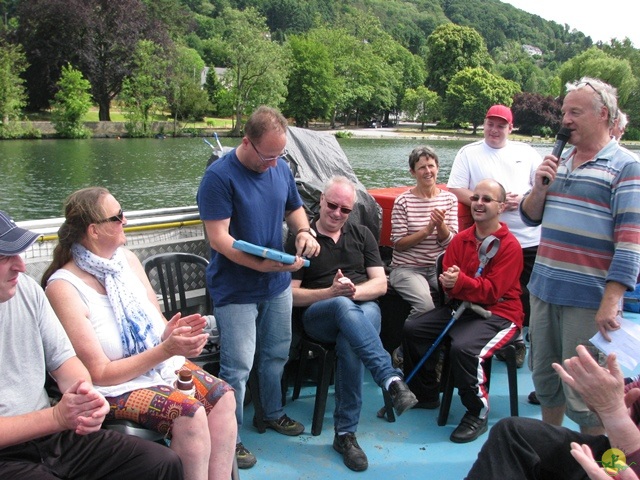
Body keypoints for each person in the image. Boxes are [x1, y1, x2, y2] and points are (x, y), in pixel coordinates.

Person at [41, 187, 237, 480]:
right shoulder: (64, 287)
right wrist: (166, 349)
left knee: (224, 398)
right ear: (94, 230)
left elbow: (156, 324)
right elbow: (99, 373)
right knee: (190, 413)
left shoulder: (127, 262)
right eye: (118, 217)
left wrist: (174, 336)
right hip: (114, 387)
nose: (126, 221)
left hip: (158, 367)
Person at [0, 210, 184, 479]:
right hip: (10, 453)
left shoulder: (27, 291)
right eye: (5, 257)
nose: (21, 266)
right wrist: (58, 417)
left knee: (161, 463)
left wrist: (84, 396)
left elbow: (65, 362)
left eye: (18, 254)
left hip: (52, 437)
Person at [196, 105, 321, 469]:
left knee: (277, 354)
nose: (273, 163)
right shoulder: (219, 178)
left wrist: (304, 232)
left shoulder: (279, 167)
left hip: (276, 285)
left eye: (278, 156)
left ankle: (270, 413)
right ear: (246, 142)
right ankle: (229, 439)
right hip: (236, 291)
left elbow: (293, 208)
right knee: (237, 368)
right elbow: (220, 239)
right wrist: (261, 264)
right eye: (267, 156)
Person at [520, 76, 640, 435]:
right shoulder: (558, 161)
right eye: (563, 111)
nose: (565, 119)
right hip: (543, 289)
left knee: (586, 394)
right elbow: (530, 216)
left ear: (603, 114)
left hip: (588, 299)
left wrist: (612, 299)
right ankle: (552, 452)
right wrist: (539, 188)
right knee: (546, 380)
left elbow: (631, 240)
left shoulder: (625, 166)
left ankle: (591, 466)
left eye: (575, 112)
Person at [285, 176, 418, 472]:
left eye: (344, 210)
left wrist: (352, 291)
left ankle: (345, 435)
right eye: (332, 205)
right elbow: (291, 295)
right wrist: (331, 293)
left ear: (352, 211)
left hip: (361, 308)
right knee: (344, 307)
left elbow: (381, 284)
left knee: (351, 338)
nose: (336, 213)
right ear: (321, 200)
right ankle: (390, 378)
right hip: (320, 313)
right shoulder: (303, 240)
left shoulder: (363, 235)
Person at [402, 179, 523, 444]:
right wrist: (450, 283)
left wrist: (460, 283)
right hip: (462, 308)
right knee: (414, 328)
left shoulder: (510, 246)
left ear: (501, 207)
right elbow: (451, 278)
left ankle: (476, 412)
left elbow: (493, 292)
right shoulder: (461, 239)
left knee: (465, 348)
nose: (479, 203)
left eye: (487, 199)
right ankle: (425, 393)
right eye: (476, 198)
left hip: (500, 314)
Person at [447, 104, 542, 368]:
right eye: (491, 124)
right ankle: (488, 334)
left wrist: (521, 200)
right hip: (490, 241)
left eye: (501, 125)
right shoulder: (469, 152)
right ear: (484, 124)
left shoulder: (527, 152)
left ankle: (517, 339)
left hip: (528, 237)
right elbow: (456, 189)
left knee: (523, 294)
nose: (494, 130)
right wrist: (491, 201)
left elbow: (542, 189)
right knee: (492, 290)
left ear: (511, 128)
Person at [466, 345, 640, 479]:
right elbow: (629, 398)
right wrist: (612, 404)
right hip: (624, 451)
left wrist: (612, 410)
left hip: (631, 463)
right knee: (513, 434)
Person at [389, 145, 458, 325]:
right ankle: (405, 348)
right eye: (422, 167)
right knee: (425, 306)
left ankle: (443, 345)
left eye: (431, 166)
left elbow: (450, 245)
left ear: (437, 168)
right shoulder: (403, 201)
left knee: (459, 297)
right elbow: (398, 244)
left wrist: (440, 225)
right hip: (407, 268)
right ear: (413, 172)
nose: (427, 171)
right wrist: (427, 230)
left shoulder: (449, 200)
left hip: (437, 267)